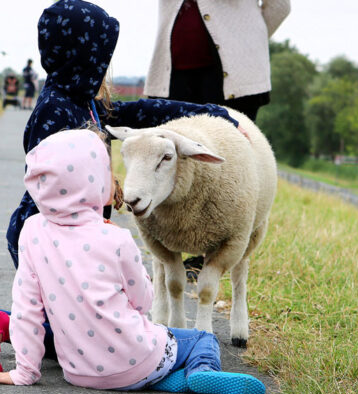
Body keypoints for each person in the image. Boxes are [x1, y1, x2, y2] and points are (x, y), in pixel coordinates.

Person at [0, 129, 265, 394]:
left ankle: (170, 381)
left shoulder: (31, 232)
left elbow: (26, 309)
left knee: (148, 359)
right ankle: (200, 373)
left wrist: (25, 372)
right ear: (95, 181)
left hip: (78, 372)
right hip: (137, 358)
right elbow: (143, 302)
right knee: (201, 340)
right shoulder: (115, 238)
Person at [6, 0, 247, 277]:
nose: (105, 65)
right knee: (61, 317)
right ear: (84, 57)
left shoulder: (83, 101)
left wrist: (213, 112)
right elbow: (47, 187)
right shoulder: (55, 110)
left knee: (66, 318)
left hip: (74, 236)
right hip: (50, 241)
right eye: (102, 56)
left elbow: (140, 111)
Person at [145, 0, 290, 276]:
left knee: (229, 168)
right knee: (172, 159)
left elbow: (279, 6)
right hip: (173, 71)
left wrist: (247, 40)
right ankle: (171, 252)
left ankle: (216, 253)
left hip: (232, 76)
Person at [145, 0, 290, 121]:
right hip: (172, 76)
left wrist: (247, 44)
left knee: (230, 151)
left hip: (234, 80)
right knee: (171, 152)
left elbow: (279, 6)